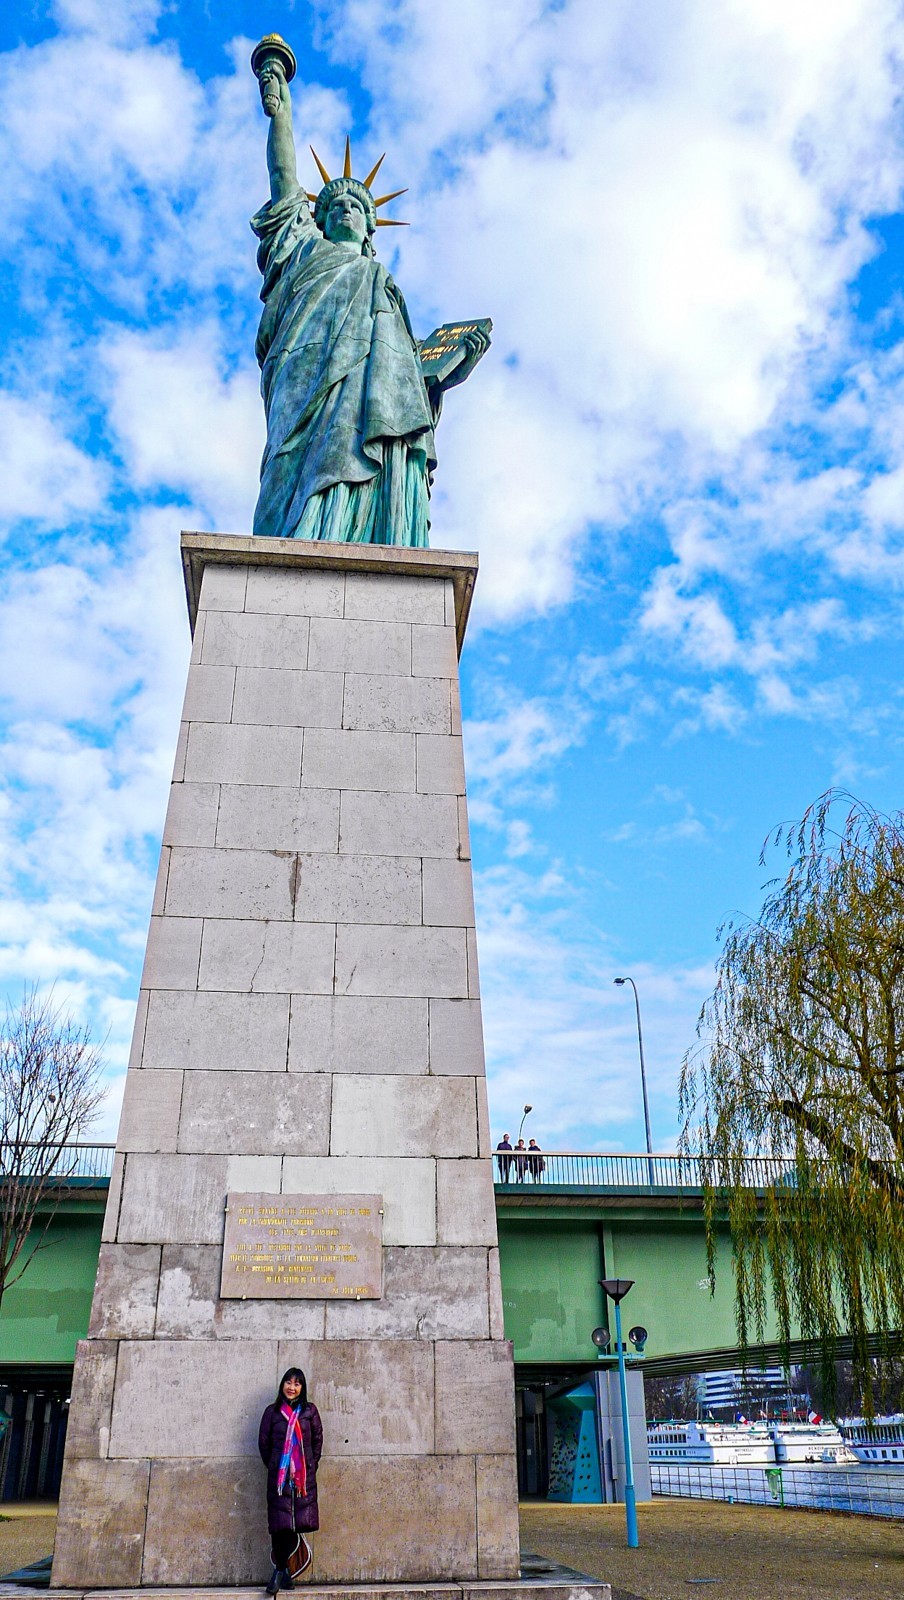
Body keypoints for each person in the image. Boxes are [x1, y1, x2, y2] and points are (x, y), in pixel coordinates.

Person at [251, 51, 489, 546]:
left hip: (369, 401)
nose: (344, 210)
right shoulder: (302, 249)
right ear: (318, 219)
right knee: (292, 470)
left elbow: (405, 374)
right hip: (305, 379)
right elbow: (284, 179)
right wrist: (280, 112)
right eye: (334, 204)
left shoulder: (381, 283)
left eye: (356, 207)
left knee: (369, 446)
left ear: (368, 229)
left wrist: (449, 361)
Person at [258, 1366, 323, 1593]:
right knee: (280, 1525)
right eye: (288, 1382)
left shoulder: (310, 1412)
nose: (292, 1387)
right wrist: (278, 1467)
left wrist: (306, 1468)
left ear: (302, 1388)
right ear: (282, 1385)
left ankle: (282, 1572)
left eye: (297, 1384)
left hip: (301, 1481)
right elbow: (264, 1445)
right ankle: (280, 1572)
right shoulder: (272, 1412)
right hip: (279, 1479)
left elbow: (316, 1443)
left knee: (294, 1523)